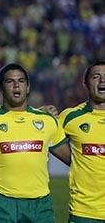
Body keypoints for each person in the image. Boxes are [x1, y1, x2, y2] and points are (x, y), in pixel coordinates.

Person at [0, 63, 71, 223]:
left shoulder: (47, 120)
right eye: (10, 81)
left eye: (21, 81)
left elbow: (75, 160)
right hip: (1, 206)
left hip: (40, 206)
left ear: (27, 87)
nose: (16, 85)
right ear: (0, 88)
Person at [58, 60, 105, 222]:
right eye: (96, 77)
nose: (102, 81)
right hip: (84, 213)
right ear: (85, 83)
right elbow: (42, 133)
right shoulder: (70, 117)